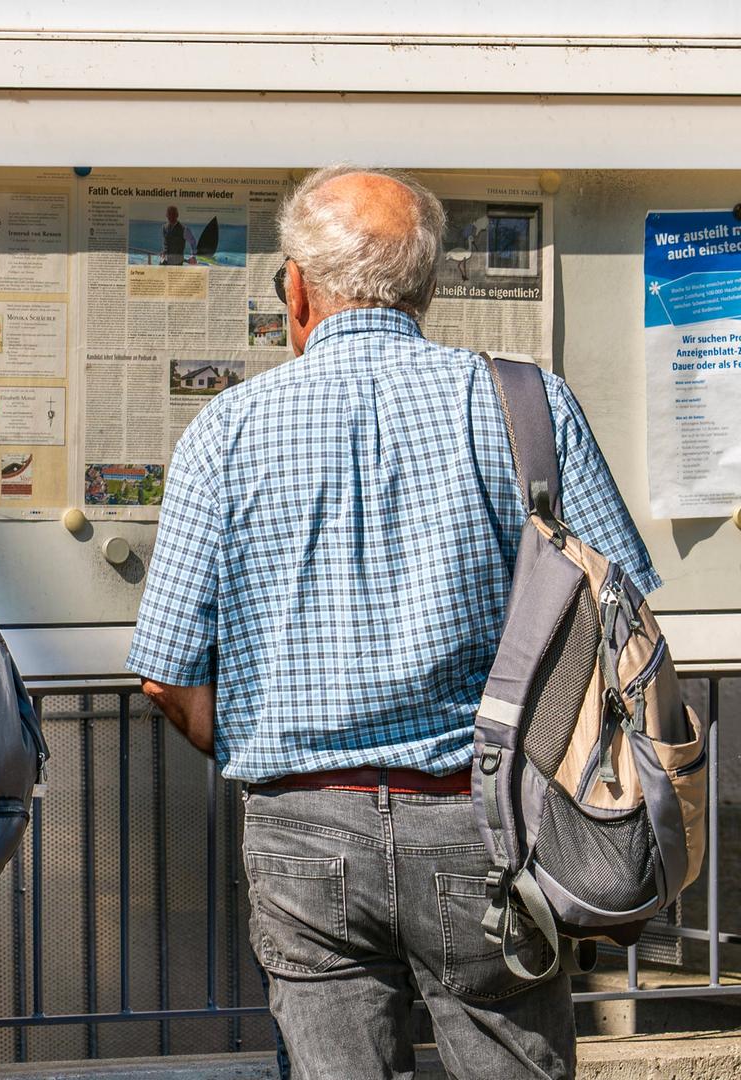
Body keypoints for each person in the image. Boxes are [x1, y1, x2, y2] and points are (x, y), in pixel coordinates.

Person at [128, 166, 658, 1079]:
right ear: (428, 284)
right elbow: (626, 622)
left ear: (296, 287)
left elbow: (166, 675)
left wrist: (286, 763)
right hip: (489, 820)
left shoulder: (227, 429)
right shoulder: (526, 405)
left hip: (303, 824)